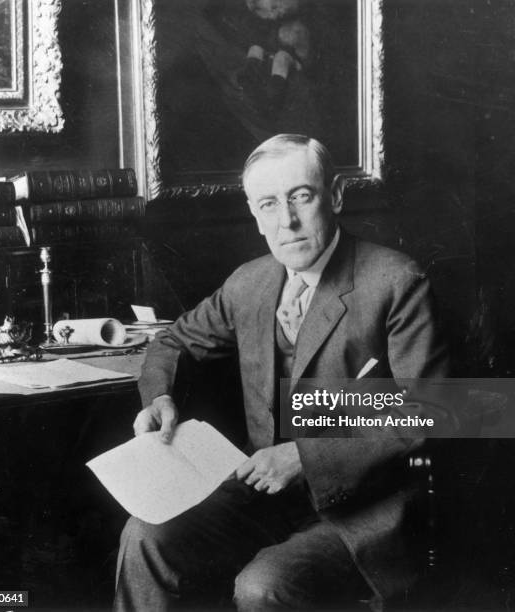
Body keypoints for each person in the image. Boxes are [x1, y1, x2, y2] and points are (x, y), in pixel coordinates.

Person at [114, 134, 450, 611]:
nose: (286, 221)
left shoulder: (396, 282)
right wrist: (159, 397)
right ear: (254, 214)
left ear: (334, 196)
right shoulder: (249, 282)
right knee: (145, 534)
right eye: (268, 204)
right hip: (264, 493)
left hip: (364, 511)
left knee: (264, 586)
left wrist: (303, 457)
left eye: (301, 197)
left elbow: (431, 412)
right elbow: (173, 342)